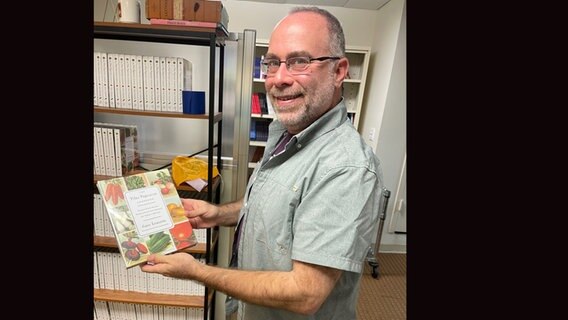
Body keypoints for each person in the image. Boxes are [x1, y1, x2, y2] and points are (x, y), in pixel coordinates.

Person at [141, 6, 385, 319]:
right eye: (272, 63)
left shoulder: (346, 167)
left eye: (299, 61)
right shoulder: (286, 129)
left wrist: (198, 272)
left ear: (338, 72)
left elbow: (305, 293)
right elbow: (275, 205)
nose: (279, 79)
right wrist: (219, 214)